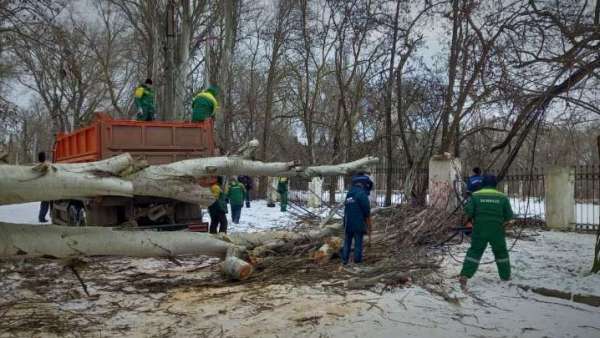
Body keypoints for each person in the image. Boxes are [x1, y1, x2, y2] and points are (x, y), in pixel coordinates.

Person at [459, 175, 514, 290]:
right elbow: (509, 217)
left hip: (479, 229)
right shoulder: (502, 197)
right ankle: (505, 276)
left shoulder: (475, 195)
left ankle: (465, 275)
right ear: (495, 184)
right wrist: (503, 224)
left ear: (482, 184)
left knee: (474, 252)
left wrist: (468, 221)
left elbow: (468, 212)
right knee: (501, 253)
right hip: (497, 230)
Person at [341, 181, 371, 265]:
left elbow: (346, 208)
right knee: (358, 242)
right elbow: (366, 209)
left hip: (348, 222)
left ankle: (344, 259)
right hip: (358, 223)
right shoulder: (362, 194)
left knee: (347, 242)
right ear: (362, 187)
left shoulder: (349, 194)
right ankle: (357, 260)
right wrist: (368, 222)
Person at [37, 152, 50, 223]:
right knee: (45, 204)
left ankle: (41, 217)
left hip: (42, 188)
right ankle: (41, 218)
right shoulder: (44, 165)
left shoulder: (38, 165)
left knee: (44, 204)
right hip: (45, 188)